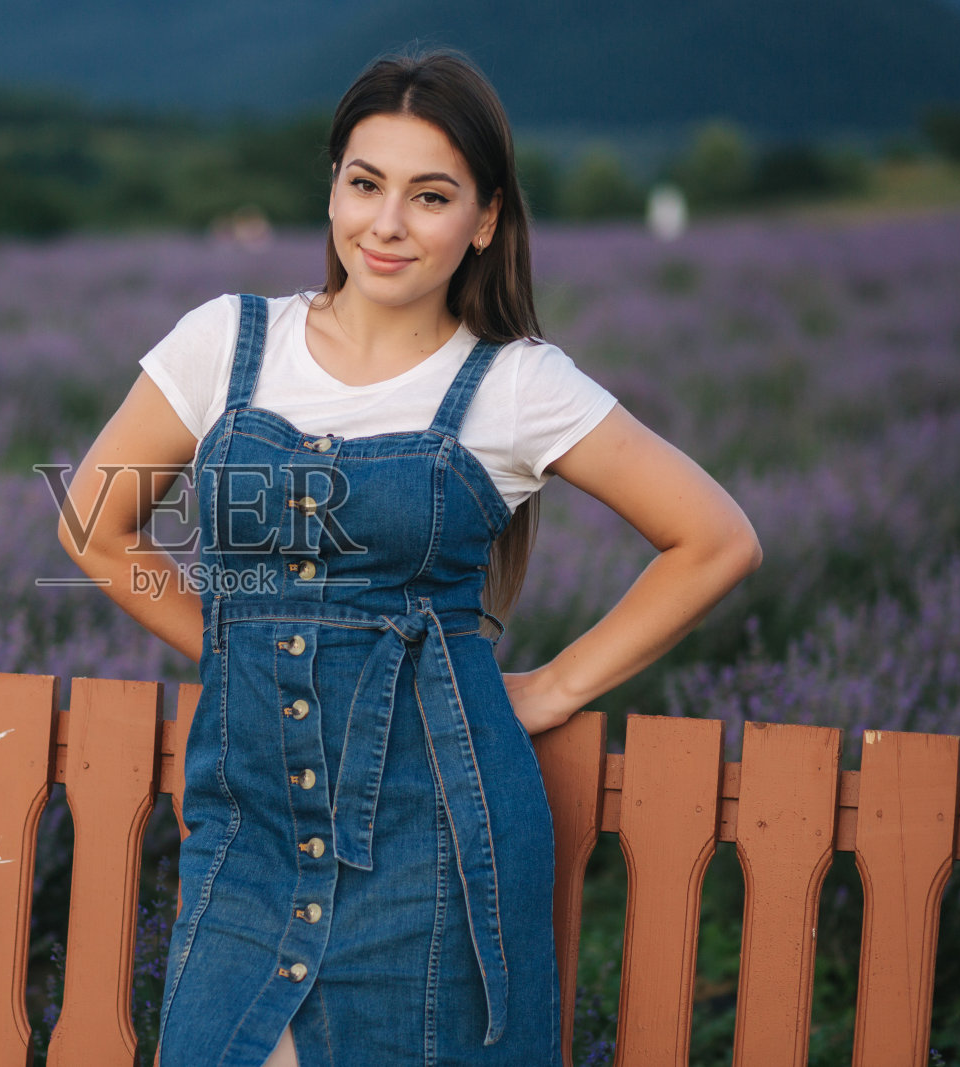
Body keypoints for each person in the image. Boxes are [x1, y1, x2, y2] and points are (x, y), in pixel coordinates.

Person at [57, 49, 760, 1067]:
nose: (385, 224)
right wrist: (231, 646)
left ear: (483, 219)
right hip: (248, 833)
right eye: (364, 183)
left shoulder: (516, 385)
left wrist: (553, 684)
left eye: (429, 195)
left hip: (435, 840)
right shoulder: (226, 342)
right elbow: (95, 525)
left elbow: (715, 538)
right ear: (334, 188)